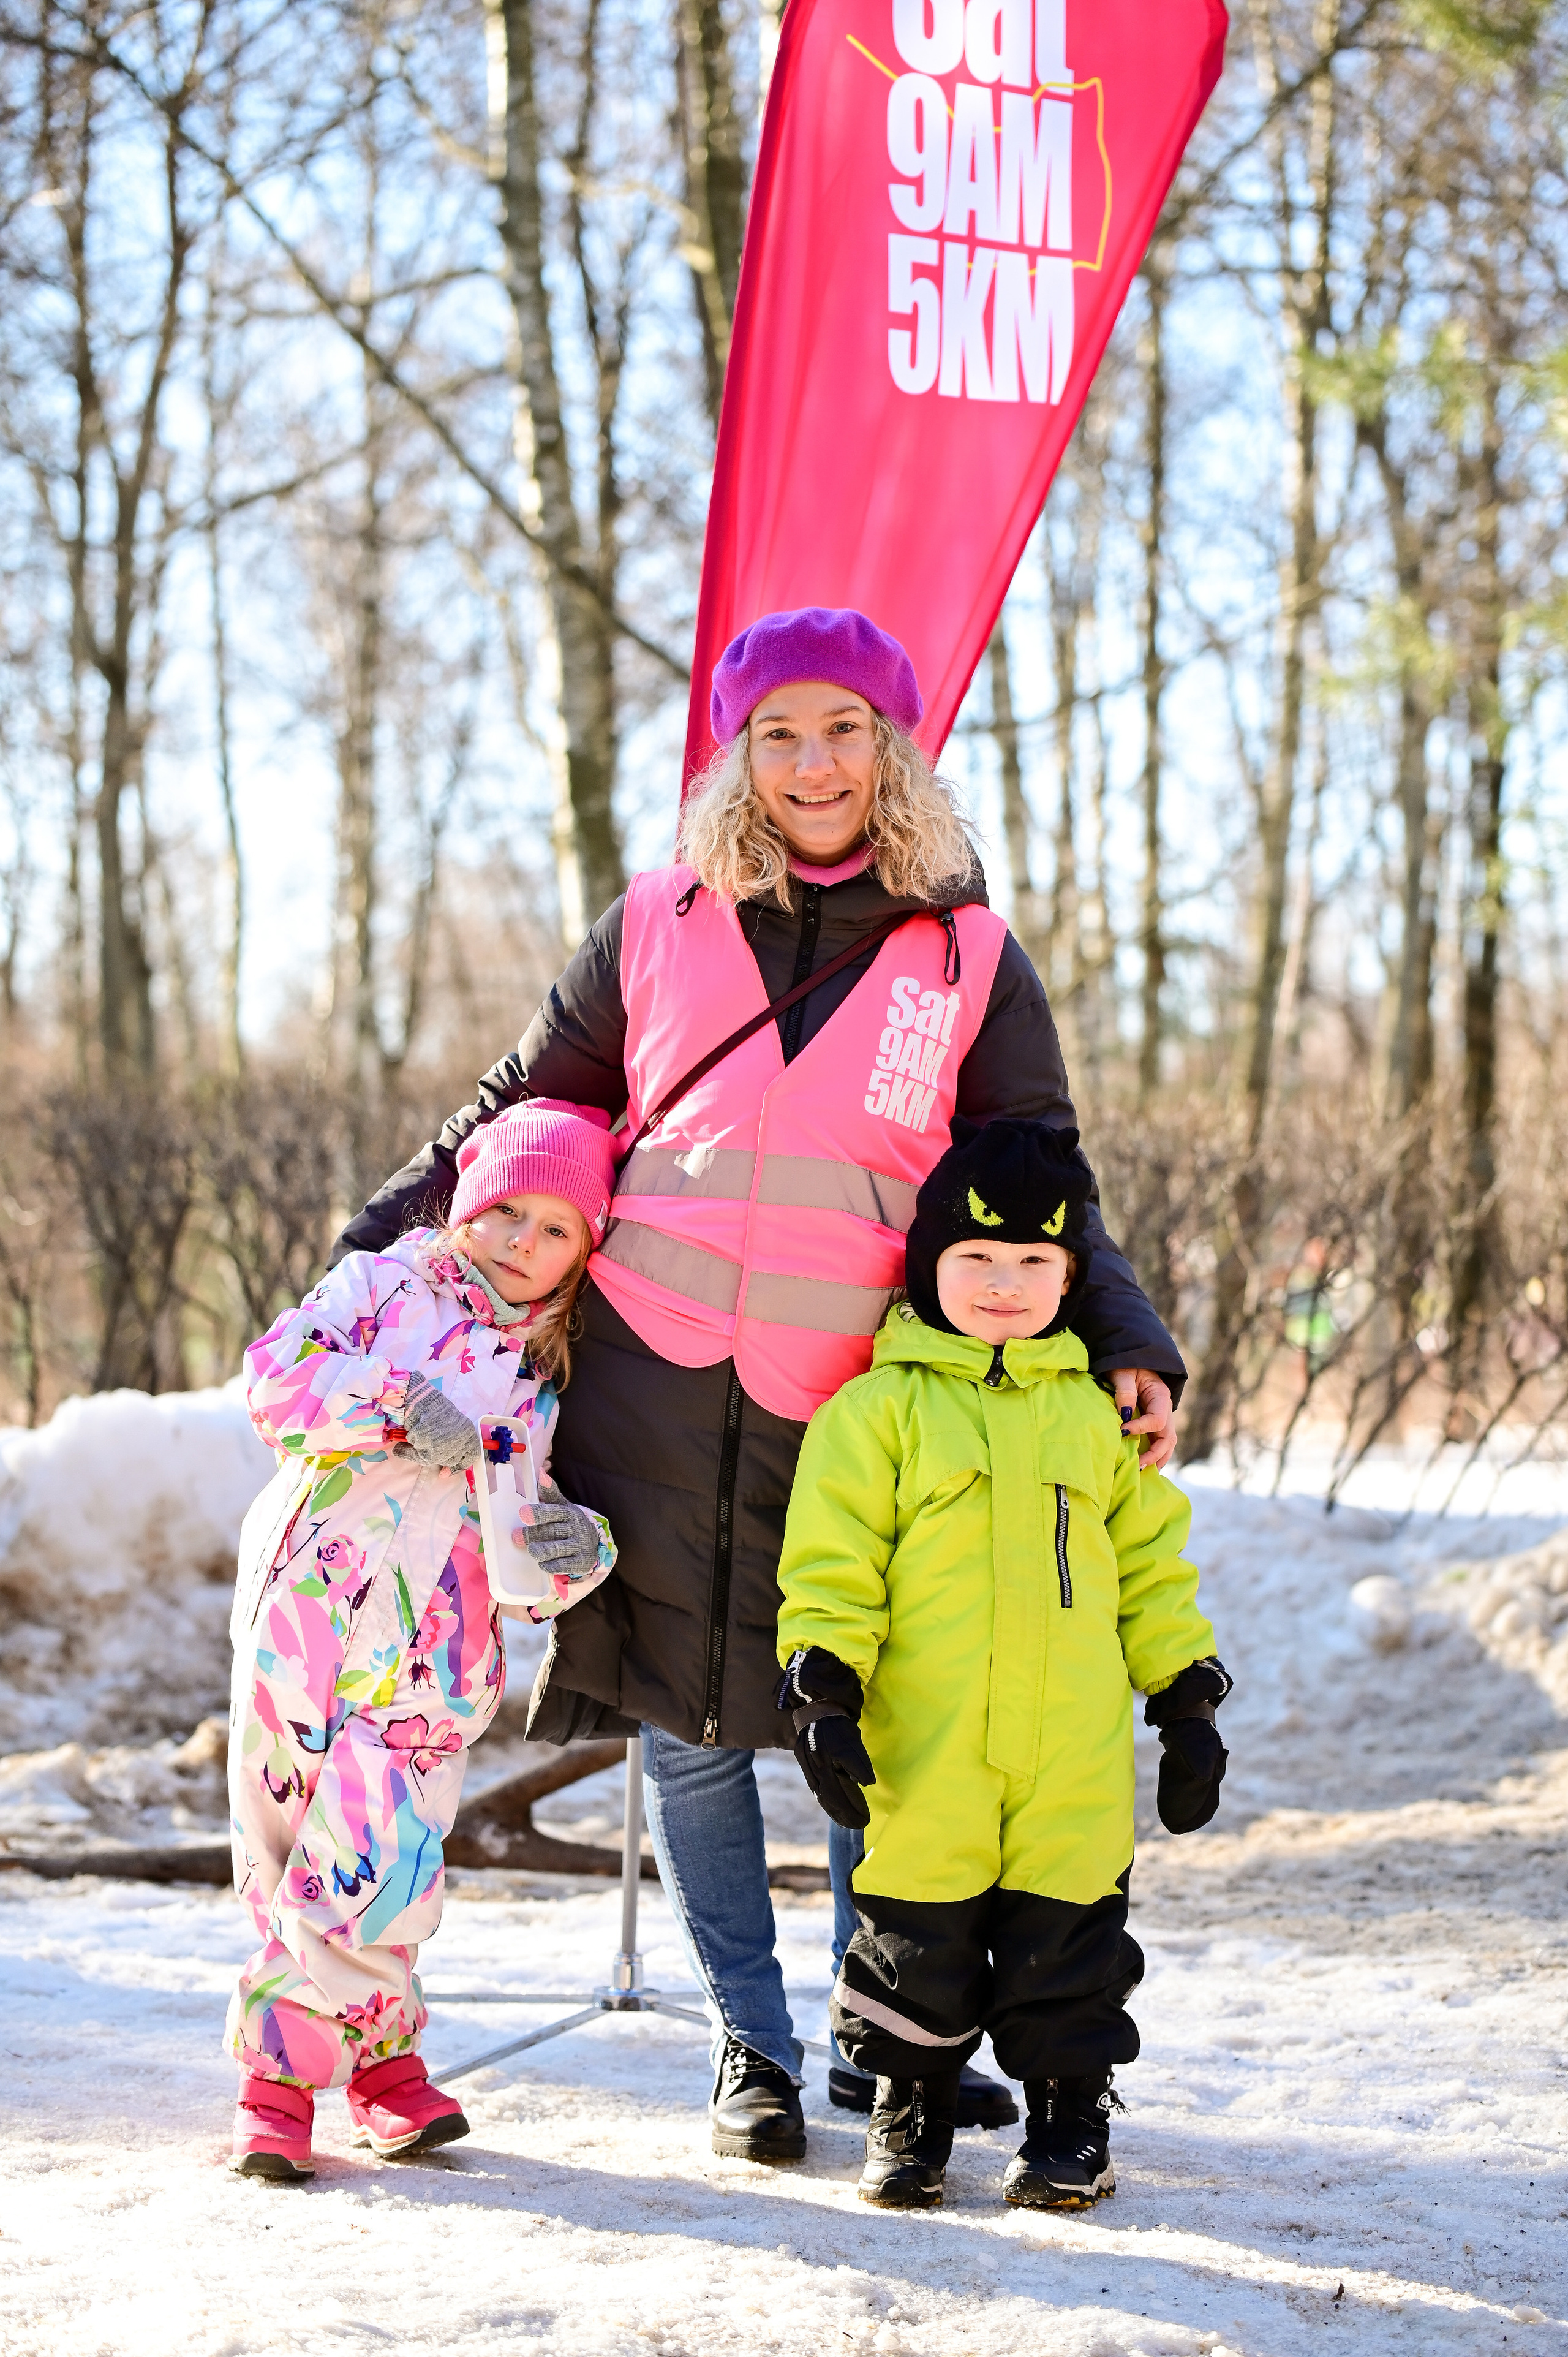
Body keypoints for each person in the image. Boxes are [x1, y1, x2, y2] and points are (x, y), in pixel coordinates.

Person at [331, 605, 1188, 2162]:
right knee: (690, 1732)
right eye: (779, 735)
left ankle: (882, 2034)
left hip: (855, 1404)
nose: (812, 765)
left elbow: (1036, 1175)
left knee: (877, 1726)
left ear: (892, 749)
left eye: (843, 732)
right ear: (740, 752)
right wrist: (373, 1237)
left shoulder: (965, 956)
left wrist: (1122, 1332)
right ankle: (751, 2048)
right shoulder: (655, 920)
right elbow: (528, 1100)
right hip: (647, 1383)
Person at [775, 1119, 1231, 2211]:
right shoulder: (877, 1414)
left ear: (1070, 1276)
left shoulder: (1092, 1419)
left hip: (1070, 1749)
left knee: (1067, 1931)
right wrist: (824, 1690)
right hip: (928, 1743)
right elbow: (834, 1564)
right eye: (976, 1258)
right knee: (915, 1929)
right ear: (930, 1265)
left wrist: (1186, 1698)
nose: (1004, 1284)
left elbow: (1151, 1570)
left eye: (1035, 1262)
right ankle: (912, 2107)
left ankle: (1070, 2115)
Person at [227, 1100, 619, 2181]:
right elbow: (274, 1379)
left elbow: (532, 1570)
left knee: (382, 1853)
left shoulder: (545, 1373)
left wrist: (573, 1547)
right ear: (464, 1205)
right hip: (305, 1611)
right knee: (284, 1840)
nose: (522, 1244)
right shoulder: (379, 1285)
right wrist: (395, 1402)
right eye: (505, 1212)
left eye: (556, 1232)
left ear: (585, 1251)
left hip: (432, 1651)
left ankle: (286, 2081)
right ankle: (375, 2067)